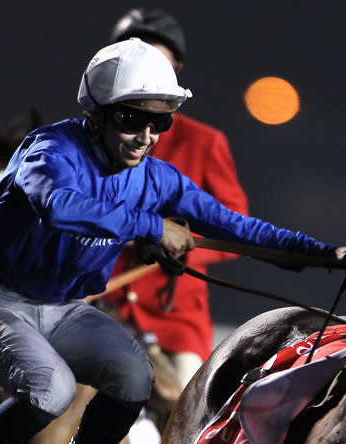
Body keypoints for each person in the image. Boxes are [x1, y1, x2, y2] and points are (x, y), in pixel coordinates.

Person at [0, 37, 346, 444]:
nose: (148, 136)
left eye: (162, 124)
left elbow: (236, 227)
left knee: (136, 380)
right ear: (98, 115)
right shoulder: (49, 150)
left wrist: (327, 255)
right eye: (134, 119)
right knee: (51, 389)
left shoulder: (156, 178)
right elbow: (58, 206)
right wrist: (151, 225)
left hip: (66, 309)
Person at [105, 8, 247, 387]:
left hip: (171, 322)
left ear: (176, 70)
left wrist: (182, 247)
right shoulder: (88, 135)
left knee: (187, 407)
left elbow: (233, 226)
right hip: (95, 302)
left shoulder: (205, 143)